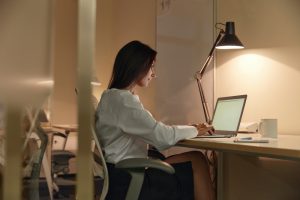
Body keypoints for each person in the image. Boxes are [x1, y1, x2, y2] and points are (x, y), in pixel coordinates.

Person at [95, 40, 215, 200]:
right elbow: (161, 137)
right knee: (198, 161)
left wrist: (190, 129)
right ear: (137, 67)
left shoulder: (110, 97)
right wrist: (195, 129)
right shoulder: (123, 101)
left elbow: (154, 131)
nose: (153, 73)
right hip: (130, 180)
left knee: (196, 158)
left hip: (119, 176)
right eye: (151, 66)